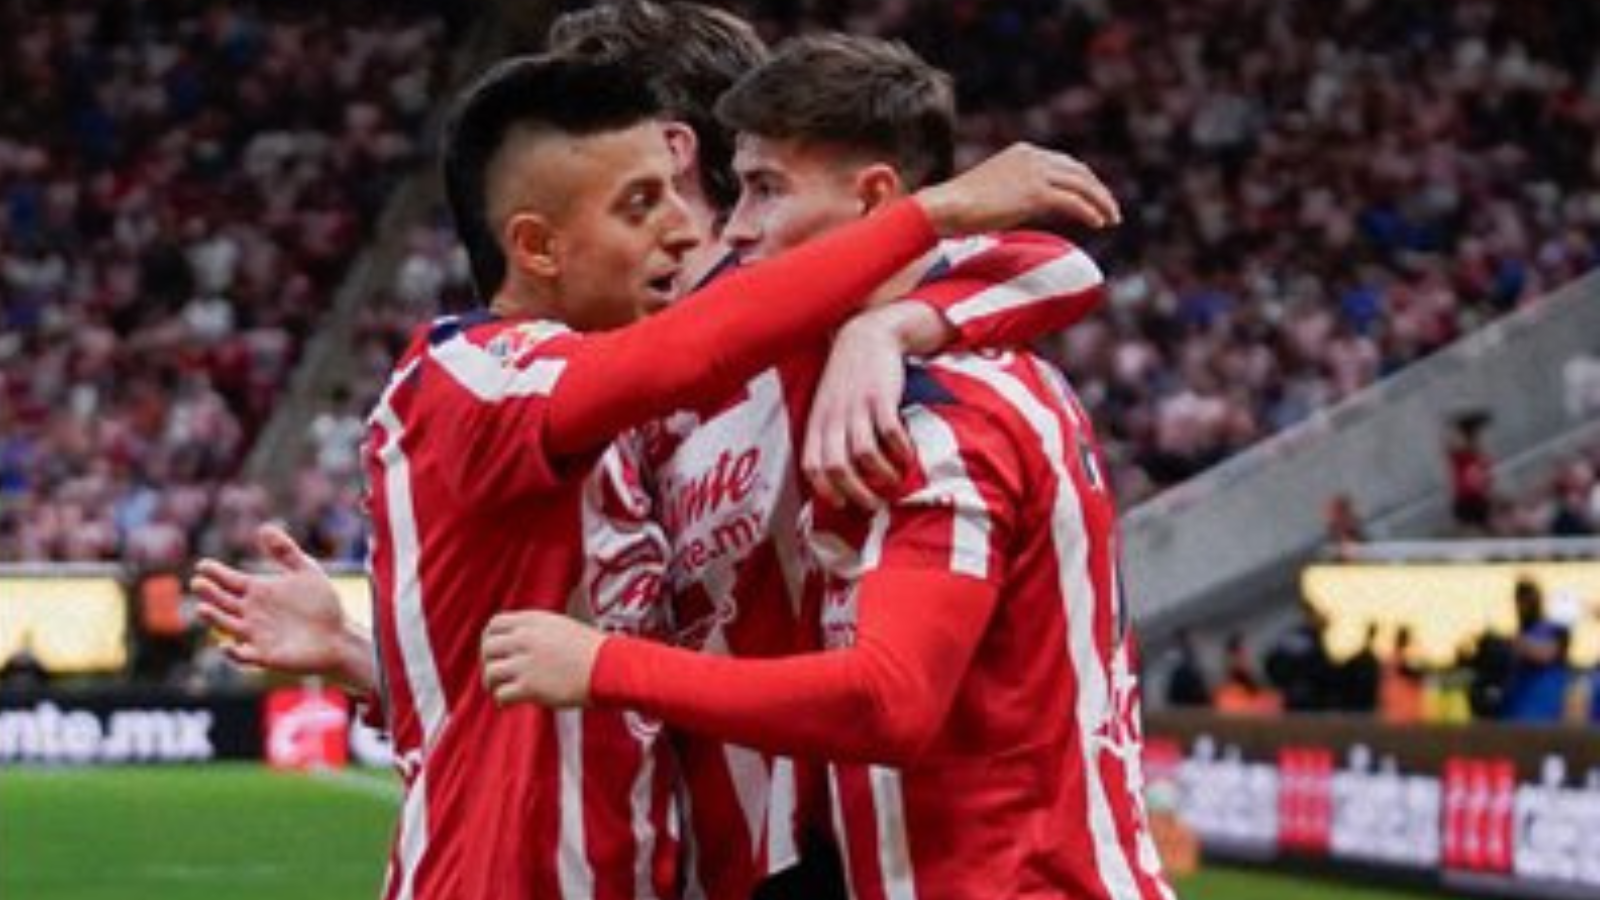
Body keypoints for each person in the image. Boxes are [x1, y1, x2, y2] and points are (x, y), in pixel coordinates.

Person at [199, 10, 1122, 899]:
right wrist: (385, 662)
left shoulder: (780, 323)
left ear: (679, 151)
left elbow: (1055, 259)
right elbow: (566, 664)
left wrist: (887, 328)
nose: (686, 230)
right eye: (635, 198)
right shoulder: (514, 375)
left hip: (799, 852)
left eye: (668, 188)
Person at [480, 35, 1173, 900]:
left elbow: (888, 699)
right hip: (803, 852)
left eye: (761, 189)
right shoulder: (720, 362)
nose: (735, 228)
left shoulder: (922, 412)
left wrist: (889, 325)